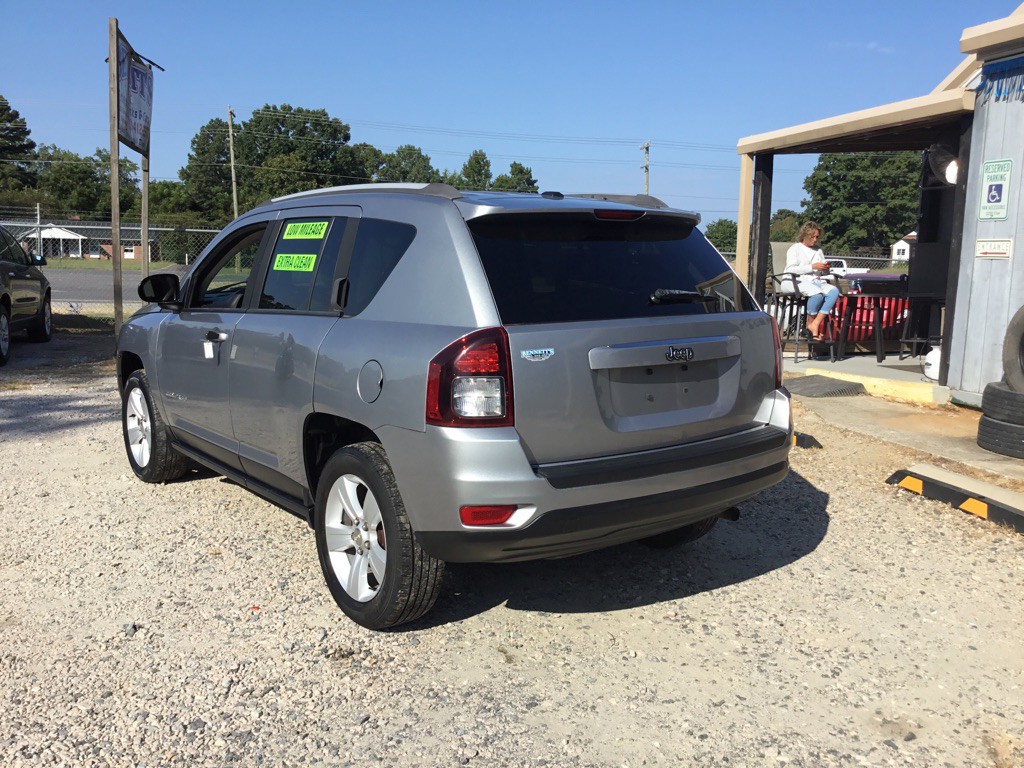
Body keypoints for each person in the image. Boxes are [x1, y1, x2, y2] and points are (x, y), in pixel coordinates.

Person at [785, 221, 839, 340]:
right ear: (805, 235)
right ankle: (812, 326)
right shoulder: (795, 248)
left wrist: (824, 269)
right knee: (817, 294)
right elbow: (790, 269)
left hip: (815, 280)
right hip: (796, 280)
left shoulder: (818, 250)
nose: (815, 240)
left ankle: (813, 324)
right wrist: (812, 267)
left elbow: (822, 272)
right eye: (812, 237)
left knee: (834, 291)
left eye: (817, 237)